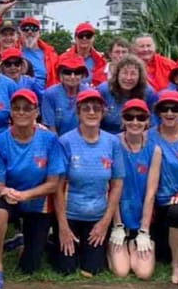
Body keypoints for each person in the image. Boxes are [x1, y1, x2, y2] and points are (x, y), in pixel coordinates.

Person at [0, 90, 64, 289]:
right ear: (10, 112)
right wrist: (6, 192)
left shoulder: (50, 140)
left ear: (36, 111)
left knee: (29, 268)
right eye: (16, 108)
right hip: (9, 198)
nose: (21, 112)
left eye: (27, 108)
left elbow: (53, 184)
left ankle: (24, 241)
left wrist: (25, 195)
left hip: (37, 201)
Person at [53, 89, 124, 277]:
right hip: (70, 214)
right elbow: (57, 188)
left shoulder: (113, 143)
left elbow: (116, 185)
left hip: (97, 215)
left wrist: (105, 222)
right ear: (78, 113)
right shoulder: (65, 141)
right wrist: (63, 226)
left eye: (96, 109)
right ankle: (51, 240)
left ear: (103, 113)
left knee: (93, 269)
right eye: (86, 109)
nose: (91, 112)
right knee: (66, 269)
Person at [148, 90, 178, 285]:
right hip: (153, 201)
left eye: (174, 109)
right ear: (158, 112)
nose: (169, 113)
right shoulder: (148, 136)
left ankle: (177, 266)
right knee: (160, 255)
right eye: (165, 109)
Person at [108, 100, 160, 280]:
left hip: (141, 215)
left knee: (144, 273)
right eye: (130, 117)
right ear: (123, 119)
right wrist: (117, 225)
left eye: (141, 117)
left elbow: (151, 192)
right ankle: (116, 243)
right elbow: (112, 187)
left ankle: (135, 242)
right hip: (118, 213)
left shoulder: (155, 149)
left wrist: (144, 230)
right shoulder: (113, 144)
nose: (135, 122)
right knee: (121, 272)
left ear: (148, 120)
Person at [98, 54, 157, 134]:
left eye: (133, 74)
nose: (128, 78)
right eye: (124, 73)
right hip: (107, 135)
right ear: (117, 74)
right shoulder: (103, 90)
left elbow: (154, 122)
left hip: (136, 137)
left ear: (140, 76)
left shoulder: (148, 93)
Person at [42, 52, 89, 135]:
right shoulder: (50, 94)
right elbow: (51, 128)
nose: (72, 76)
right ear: (60, 75)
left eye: (77, 72)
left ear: (82, 75)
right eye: (68, 72)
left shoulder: (89, 93)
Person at [17, 16, 59, 88]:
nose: (30, 32)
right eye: (25, 29)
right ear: (20, 32)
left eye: (34, 29)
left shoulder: (51, 54)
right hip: (20, 94)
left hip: (44, 95)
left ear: (40, 32)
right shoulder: (13, 50)